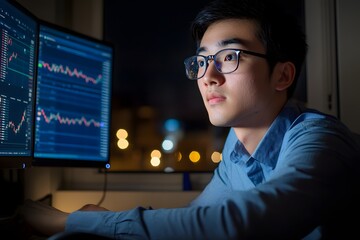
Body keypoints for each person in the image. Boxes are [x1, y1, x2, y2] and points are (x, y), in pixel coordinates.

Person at [18, 0, 360, 239]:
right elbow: (200, 218)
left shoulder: (321, 140)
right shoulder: (236, 151)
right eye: (200, 61)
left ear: (282, 75)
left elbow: (245, 224)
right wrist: (99, 220)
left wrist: (70, 223)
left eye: (229, 56)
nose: (208, 76)